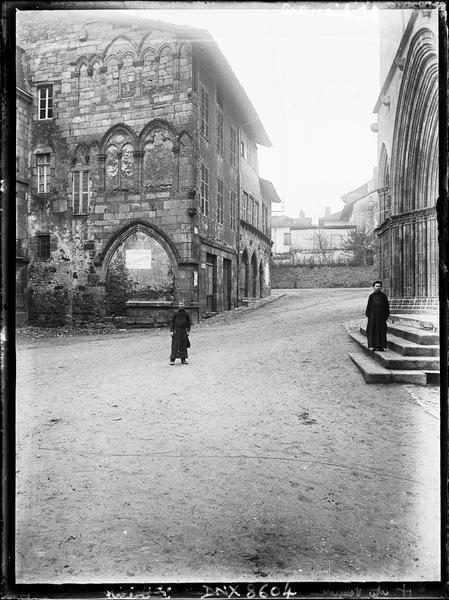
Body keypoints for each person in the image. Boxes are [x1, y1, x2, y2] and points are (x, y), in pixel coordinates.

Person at [365, 280, 390, 352]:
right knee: (373, 332)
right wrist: (369, 316)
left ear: (381, 287)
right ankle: (374, 346)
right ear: (374, 287)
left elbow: (387, 307)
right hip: (373, 318)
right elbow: (368, 307)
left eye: (379, 286)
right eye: (376, 286)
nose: (378, 288)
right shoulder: (371, 296)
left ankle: (381, 346)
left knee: (381, 332)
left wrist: (385, 317)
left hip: (381, 318)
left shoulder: (384, 296)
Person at [170, 300, 191, 365]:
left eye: (182, 304)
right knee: (175, 345)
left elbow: (188, 323)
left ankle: (183, 359)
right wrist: (171, 331)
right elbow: (172, 322)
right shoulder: (175, 313)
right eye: (180, 304)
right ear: (178, 305)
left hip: (183, 331)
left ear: (184, 305)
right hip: (176, 330)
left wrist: (188, 330)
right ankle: (172, 359)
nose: (181, 305)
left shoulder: (186, 314)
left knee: (183, 345)